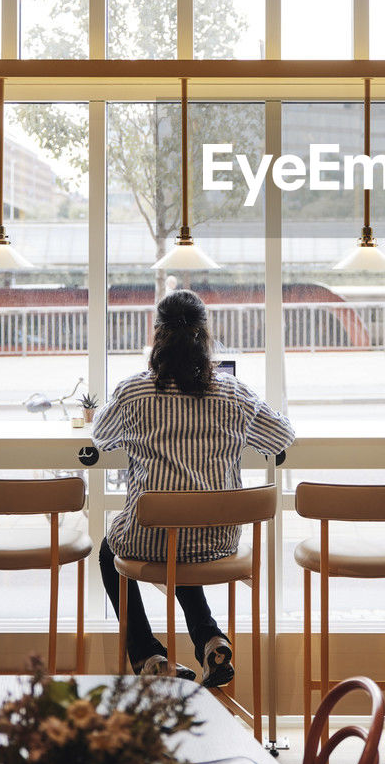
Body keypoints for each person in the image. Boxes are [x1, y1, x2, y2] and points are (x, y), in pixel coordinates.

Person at [93, 288, 295, 684]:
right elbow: (280, 438)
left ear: (156, 337)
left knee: (114, 550)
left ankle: (149, 657)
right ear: (206, 336)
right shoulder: (233, 392)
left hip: (148, 537)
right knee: (183, 546)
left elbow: (101, 436)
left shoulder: (133, 391)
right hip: (217, 540)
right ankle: (209, 638)